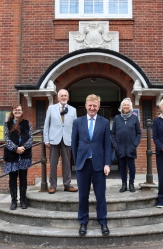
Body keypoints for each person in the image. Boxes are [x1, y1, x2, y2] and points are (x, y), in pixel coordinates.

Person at [71, 94, 111, 237]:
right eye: (90, 105)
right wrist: (77, 161)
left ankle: (103, 221)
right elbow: (74, 144)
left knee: (100, 195)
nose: (92, 108)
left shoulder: (105, 122)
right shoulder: (77, 122)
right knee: (83, 195)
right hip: (83, 165)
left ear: (98, 107)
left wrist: (107, 163)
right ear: (86, 105)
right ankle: (83, 222)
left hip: (99, 165)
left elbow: (107, 145)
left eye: (95, 105)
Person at [43, 89, 78, 194]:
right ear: (58, 98)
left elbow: (75, 126)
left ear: (68, 97)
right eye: (61, 96)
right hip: (54, 139)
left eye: (65, 96)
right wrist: (46, 140)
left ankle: (67, 184)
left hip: (67, 139)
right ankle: (53, 186)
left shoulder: (73, 110)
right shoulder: (51, 108)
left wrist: (75, 140)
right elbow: (46, 125)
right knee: (53, 163)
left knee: (67, 163)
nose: (63, 97)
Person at [4, 104, 33, 210]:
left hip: (24, 155)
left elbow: (31, 138)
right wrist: (16, 148)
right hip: (12, 155)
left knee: (23, 178)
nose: (17, 111)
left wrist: (23, 147)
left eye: (19, 110)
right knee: (12, 178)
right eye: (15, 110)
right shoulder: (7, 124)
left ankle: (23, 200)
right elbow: (7, 140)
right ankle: (13, 201)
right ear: (12, 111)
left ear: (22, 111)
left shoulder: (27, 123)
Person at [110, 98, 141, 192]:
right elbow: (112, 133)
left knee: (131, 166)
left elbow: (138, 133)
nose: (126, 106)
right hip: (120, 147)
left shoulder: (134, 118)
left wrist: (135, 144)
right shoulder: (117, 118)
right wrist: (115, 145)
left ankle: (131, 184)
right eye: (124, 105)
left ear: (130, 107)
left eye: (128, 105)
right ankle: (124, 184)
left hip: (131, 147)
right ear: (122, 107)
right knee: (122, 166)